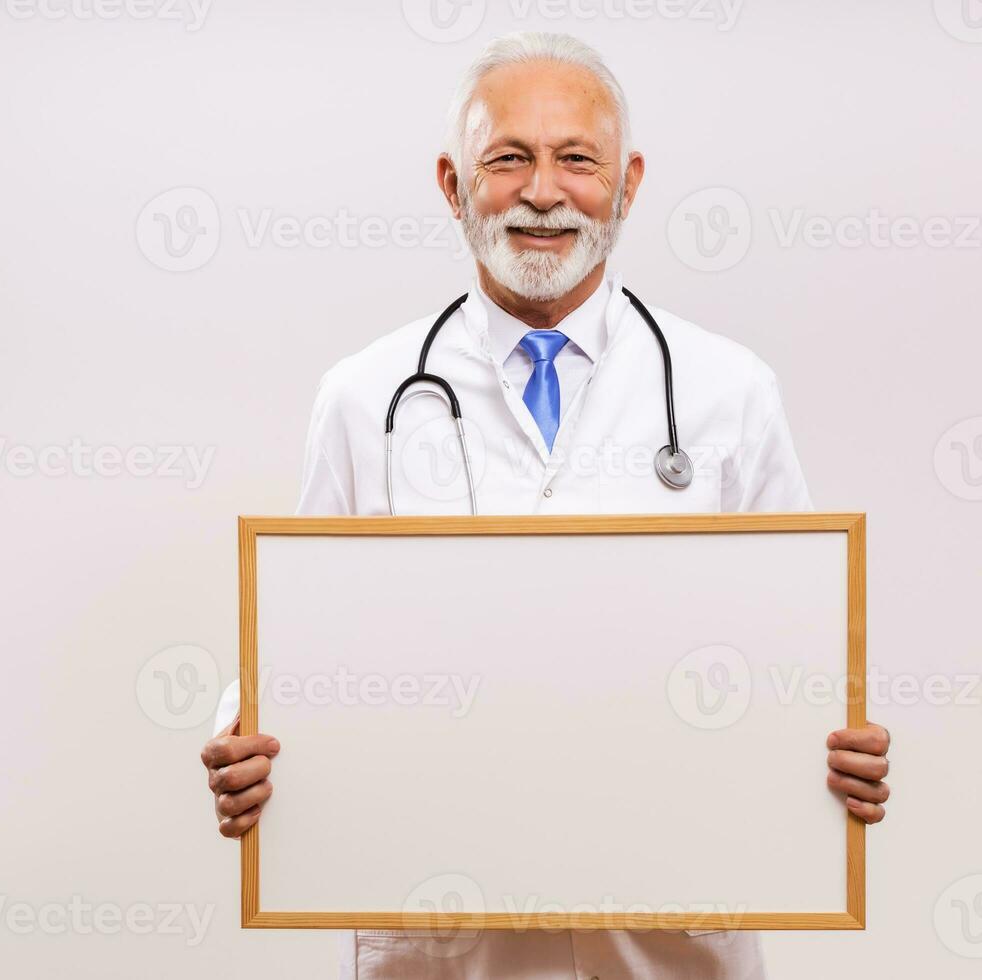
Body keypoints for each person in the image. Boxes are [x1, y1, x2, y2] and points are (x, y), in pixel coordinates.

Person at [198, 31, 892, 980]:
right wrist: (242, 736)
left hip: (672, 939)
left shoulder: (730, 390)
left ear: (630, 182)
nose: (543, 192)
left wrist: (846, 746)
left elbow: (804, 649)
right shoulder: (366, 397)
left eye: (578, 159)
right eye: (507, 159)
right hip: (444, 939)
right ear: (452, 184)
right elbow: (290, 644)